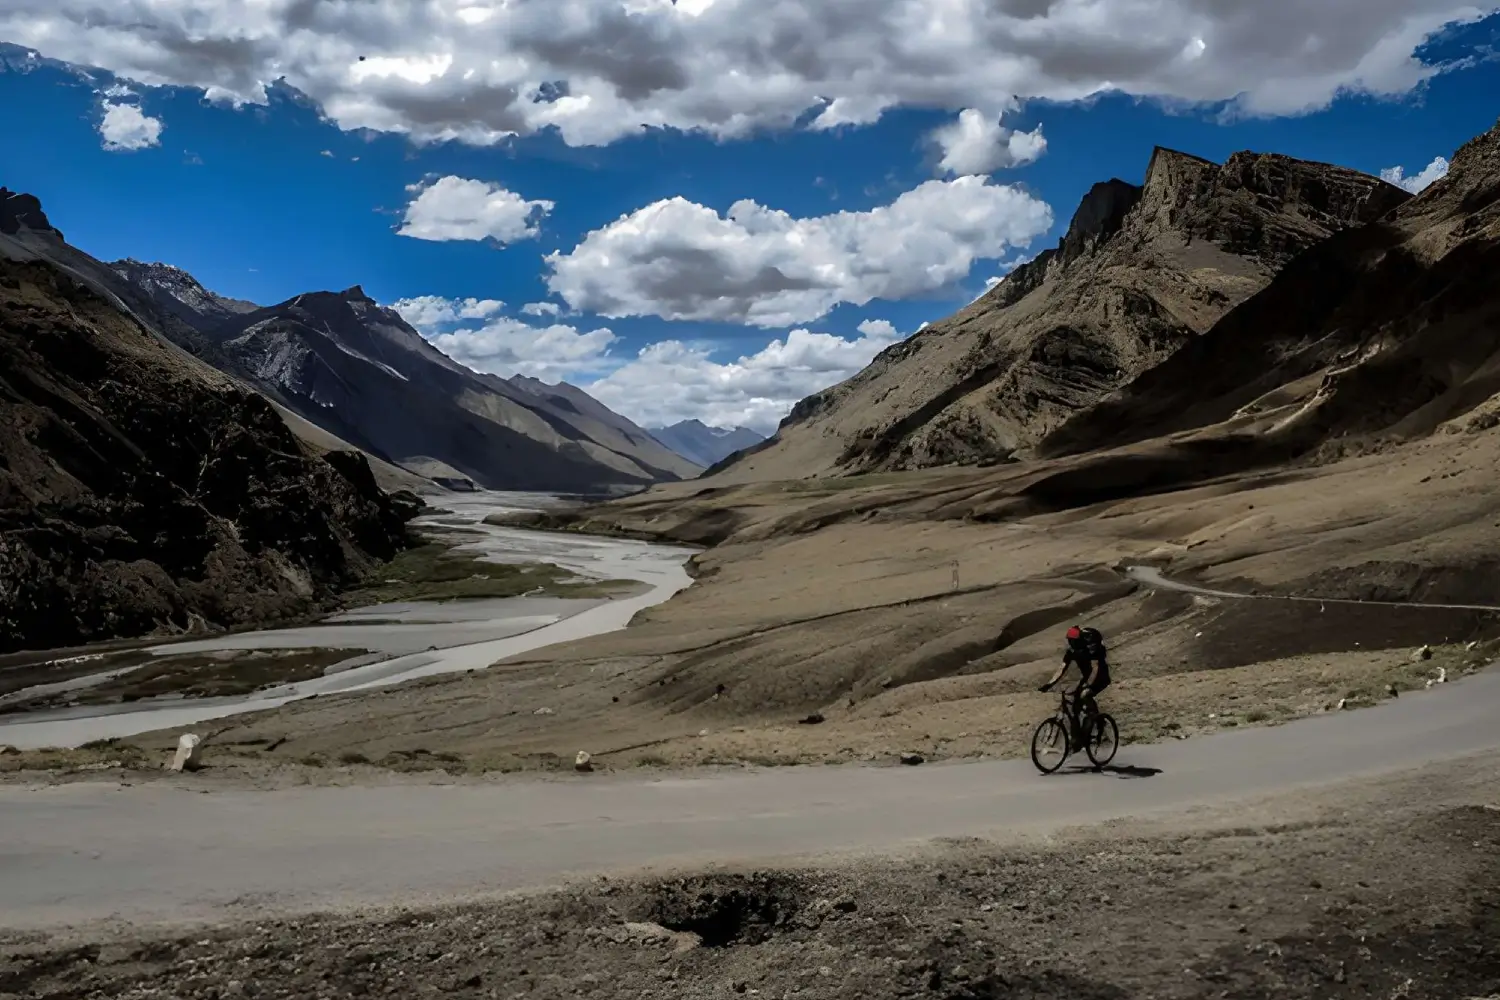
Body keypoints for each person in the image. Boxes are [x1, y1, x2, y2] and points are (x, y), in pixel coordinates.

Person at [1039, 625, 1111, 747]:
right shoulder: (1072, 651)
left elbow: (1095, 669)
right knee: (1074, 707)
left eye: (1072, 641)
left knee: (1085, 696)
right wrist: (1050, 683)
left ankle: (1097, 725)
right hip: (1087, 678)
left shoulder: (1091, 649)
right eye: (1069, 640)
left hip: (1100, 678)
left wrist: (1087, 686)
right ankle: (1078, 738)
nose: (1070, 643)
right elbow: (1062, 668)